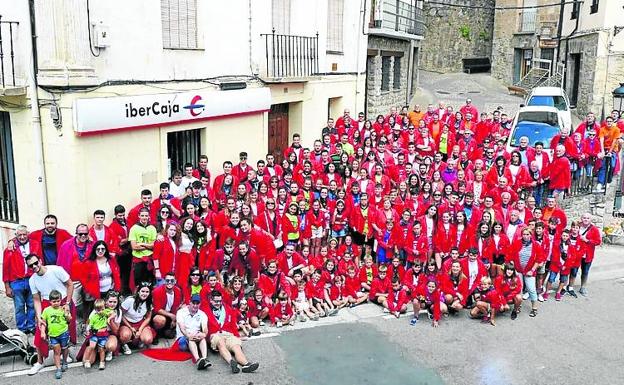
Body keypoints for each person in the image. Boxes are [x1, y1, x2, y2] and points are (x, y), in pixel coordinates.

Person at [27, 253, 75, 376]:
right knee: (39, 334)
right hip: (46, 305)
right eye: (31, 265)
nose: (34, 266)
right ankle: (39, 361)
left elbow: (70, 284)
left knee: (65, 331)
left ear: (40, 261)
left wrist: (68, 303)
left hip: (63, 301)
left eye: (35, 263)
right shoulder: (32, 280)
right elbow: (36, 299)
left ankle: (65, 355)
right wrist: (39, 317)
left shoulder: (55, 270)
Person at [204, 290, 259, 373]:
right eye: (216, 301)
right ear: (211, 300)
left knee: (236, 346)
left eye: (220, 301)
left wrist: (237, 336)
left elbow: (233, 324)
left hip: (228, 333)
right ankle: (232, 363)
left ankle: (246, 364)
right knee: (220, 342)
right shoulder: (204, 310)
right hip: (215, 334)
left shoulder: (227, 308)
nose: (218, 303)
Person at [3, 225, 38, 333]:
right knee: (19, 306)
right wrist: (7, 286)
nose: (22, 237)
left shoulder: (35, 244)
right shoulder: (10, 248)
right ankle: (22, 328)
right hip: (16, 282)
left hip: (32, 279)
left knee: (32, 305)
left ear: (28, 233)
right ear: (16, 235)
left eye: (24, 234)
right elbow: (5, 268)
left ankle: (31, 326)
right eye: (19, 235)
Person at [40, 289, 72, 379]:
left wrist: (67, 313)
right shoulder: (46, 311)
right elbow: (43, 322)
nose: (56, 303)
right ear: (50, 301)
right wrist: (43, 332)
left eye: (58, 301)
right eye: (54, 301)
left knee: (65, 348)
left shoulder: (63, 309)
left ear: (61, 300)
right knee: (56, 351)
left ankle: (65, 362)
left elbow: (69, 320)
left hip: (64, 333)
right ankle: (58, 368)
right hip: (53, 335)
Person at [176, 294, 211, 370]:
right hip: (183, 339)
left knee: (202, 337)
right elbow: (182, 328)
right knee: (191, 338)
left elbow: (205, 328)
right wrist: (188, 335)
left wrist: (204, 334)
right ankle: (198, 360)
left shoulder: (202, 314)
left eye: (197, 303)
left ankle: (204, 359)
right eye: (193, 303)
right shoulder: (181, 312)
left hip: (196, 336)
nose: (195, 305)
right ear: (189, 302)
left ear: (200, 304)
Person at [119, 282, 155, 354]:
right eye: (143, 291)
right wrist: (130, 327)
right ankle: (124, 344)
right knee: (125, 335)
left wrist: (140, 330)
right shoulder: (130, 300)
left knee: (148, 340)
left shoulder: (149, 302)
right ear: (138, 291)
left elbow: (148, 318)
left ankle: (139, 340)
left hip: (140, 322)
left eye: (147, 292)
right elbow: (120, 314)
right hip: (127, 322)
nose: (144, 294)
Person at [128, 208, 158, 286]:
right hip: (138, 260)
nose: (144, 217)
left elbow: (154, 246)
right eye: (142, 215)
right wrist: (149, 245)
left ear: (149, 216)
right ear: (139, 216)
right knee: (138, 283)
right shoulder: (134, 228)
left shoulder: (152, 228)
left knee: (150, 283)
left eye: (146, 216)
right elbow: (134, 247)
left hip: (150, 259)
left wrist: (142, 244)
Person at [152, 272, 185, 339]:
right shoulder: (157, 291)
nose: (169, 282)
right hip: (159, 314)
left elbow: (177, 306)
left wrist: (174, 319)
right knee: (160, 320)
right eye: (167, 280)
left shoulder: (178, 291)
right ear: (164, 281)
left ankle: (165, 330)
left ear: (175, 281)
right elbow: (157, 309)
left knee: (170, 335)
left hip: (170, 314)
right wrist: (172, 316)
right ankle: (155, 333)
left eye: (172, 280)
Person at [84, 298, 113, 370]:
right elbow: (89, 325)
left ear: (104, 307)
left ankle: (102, 362)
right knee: (92, 346)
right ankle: (87, 360)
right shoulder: (93, 317)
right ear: (95, 310)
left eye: (102, 309)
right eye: (98, 310)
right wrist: (87, 330)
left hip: (103, 335)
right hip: (94, 334)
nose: (100, 312)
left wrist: (109, 318)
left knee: (101, 348)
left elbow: (113, 313)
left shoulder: (106, 312)